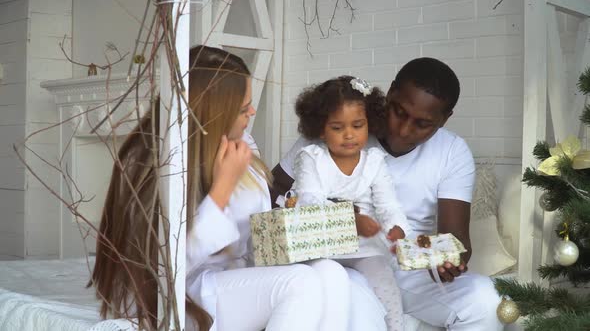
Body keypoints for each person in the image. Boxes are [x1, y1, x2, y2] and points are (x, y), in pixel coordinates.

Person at [91, 45, 354, 331]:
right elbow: (167, 267)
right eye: (243, 108)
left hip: (232, 282)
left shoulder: (242, 152)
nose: (252, 112)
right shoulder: (154, 161)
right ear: (215, 111)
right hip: (178, 296)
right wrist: (222, 188)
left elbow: (253, 244)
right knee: (300, 284)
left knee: (330, 273)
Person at [271, 58, 503, 330]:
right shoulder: (343, 124)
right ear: (390, 93)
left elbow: (456, 240)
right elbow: (275, 186)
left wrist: (447, 261)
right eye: (399, 112)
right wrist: (323, 213)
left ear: (444, 119)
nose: (403, 130)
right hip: (346, 259)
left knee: (484, 298)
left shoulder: (452, 151)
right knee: (354, 296)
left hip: (409, 265)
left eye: (422, 124)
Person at [288, 75, 409, 330]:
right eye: (337, 127)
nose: (349, 135)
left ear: (370, 124)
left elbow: (388, 205)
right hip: (320, 245)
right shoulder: (311, 158)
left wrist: (396, 229)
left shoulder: (374, 161)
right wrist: (352, 221)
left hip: (364, 247)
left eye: (357, 125)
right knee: (324, 289)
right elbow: (311, 202)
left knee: (388, 288)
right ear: (321, 128)